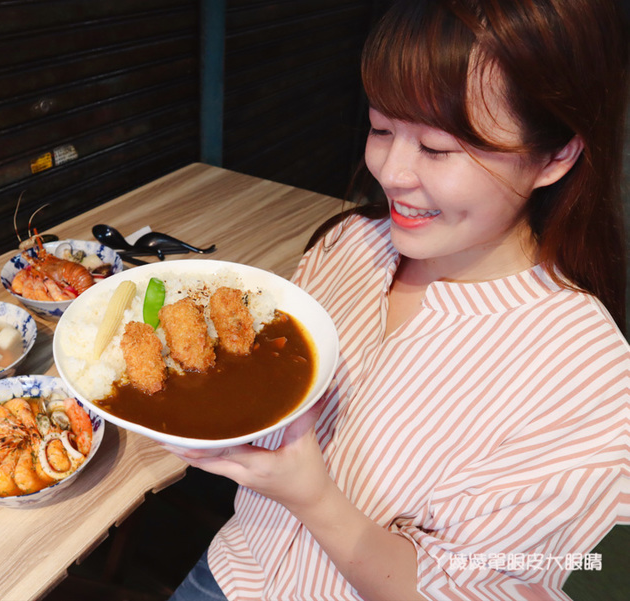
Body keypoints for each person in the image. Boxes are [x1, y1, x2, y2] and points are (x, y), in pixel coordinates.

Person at [164, 0, 630, 599]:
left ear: (556, 154)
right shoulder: (349, 245)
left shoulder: (586, 378)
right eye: (381, 129)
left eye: (437, 148)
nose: (391, 171)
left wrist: (314, 497)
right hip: (229, 569)